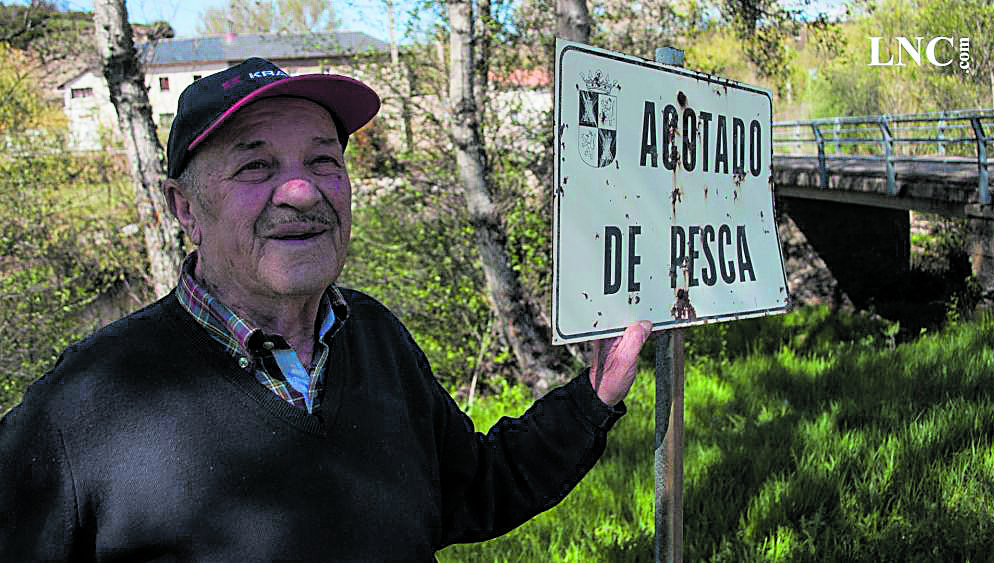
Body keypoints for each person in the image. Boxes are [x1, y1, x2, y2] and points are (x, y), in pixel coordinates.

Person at [0, 57, 652, 560]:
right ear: (184, 208)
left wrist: (590, 400)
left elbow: (475, 486)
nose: (302, 190)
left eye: (323, 159)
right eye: (256, 167)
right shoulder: (84, 407)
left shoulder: (373, 335)